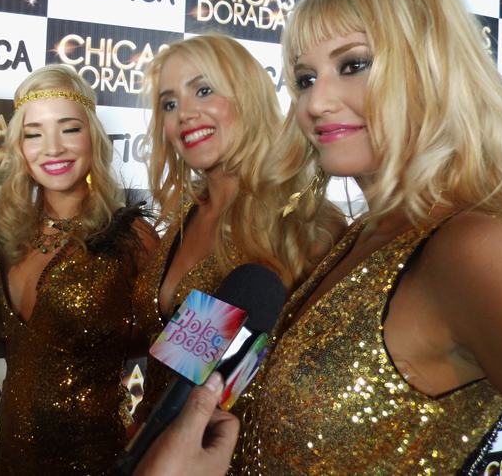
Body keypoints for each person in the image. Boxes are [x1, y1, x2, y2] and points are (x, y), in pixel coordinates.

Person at [134, 0, 502, 475]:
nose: (317, 102)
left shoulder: (470, 248)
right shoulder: (361, 236)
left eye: (353, 65)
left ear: (432, 67)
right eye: (306, 79)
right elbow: (192, 381)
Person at [131, 34, 344, 416]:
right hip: (157, 443)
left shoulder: (303, 221)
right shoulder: (186, 216)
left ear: (248, 96)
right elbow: (181, 369)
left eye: (203, 91)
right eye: (169, 103)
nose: (184, 114)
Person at [0, 63, 158, 475]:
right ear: (19, 146)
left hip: (98, 462)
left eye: (69, 129)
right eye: (34, 133)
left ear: (93, 137)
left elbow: (180, 340)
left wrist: (158, 423)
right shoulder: (5, 233)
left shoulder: (129, 235)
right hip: (11, 460)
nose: (53, 148)